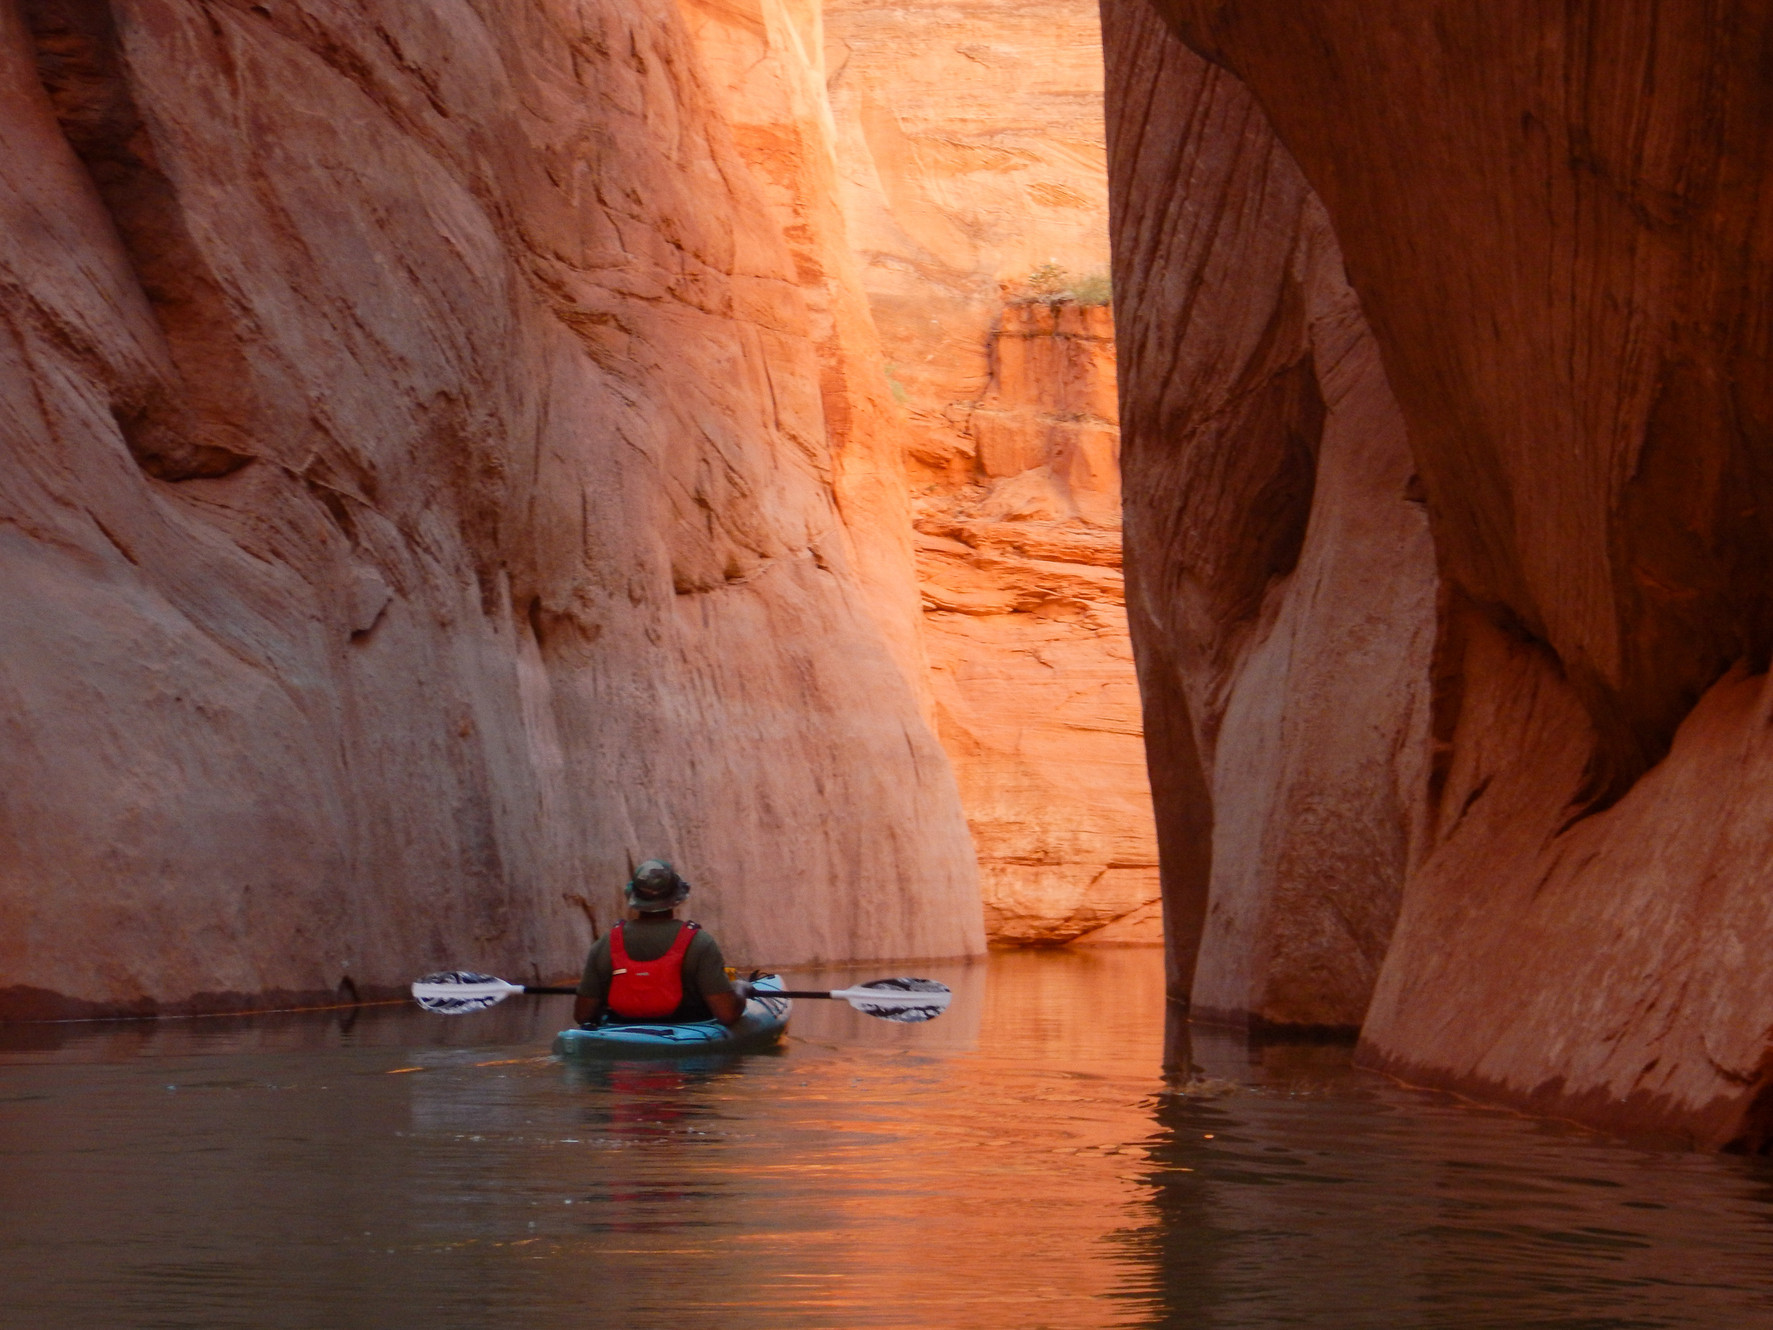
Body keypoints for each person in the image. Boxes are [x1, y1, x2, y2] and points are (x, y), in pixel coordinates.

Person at [573, 860, 749, 1027]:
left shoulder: (606, 943)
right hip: (687, 1031)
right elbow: (727, 1014)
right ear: (676, 896)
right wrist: (740, 989)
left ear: (633, 896)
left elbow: (582, 1015)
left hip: (619, 1030)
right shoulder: (700, 943)